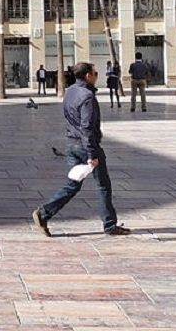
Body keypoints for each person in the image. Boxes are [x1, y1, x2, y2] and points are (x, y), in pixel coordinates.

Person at [32, 62, 131, 237]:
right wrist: (92, 153)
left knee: (73, 184)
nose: (96, 76)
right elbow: (87, 127)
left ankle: (44, 212)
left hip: (71, 144)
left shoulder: (70, 92)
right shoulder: (87, 97)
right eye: (95, 73)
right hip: (86, 146)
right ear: (88, 76)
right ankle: (110, 225)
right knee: (103, 186)